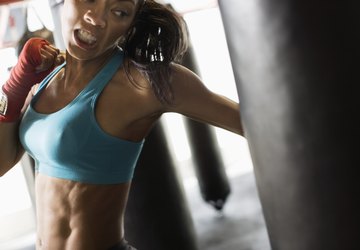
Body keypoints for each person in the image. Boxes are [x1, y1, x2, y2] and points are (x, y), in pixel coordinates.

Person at [0, 0, 243, 249]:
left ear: (129, 25)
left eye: (119, 12)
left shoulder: (140, 84)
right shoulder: (46, 79)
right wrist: (14, 87)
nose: (97, 18)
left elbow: (252, 124)